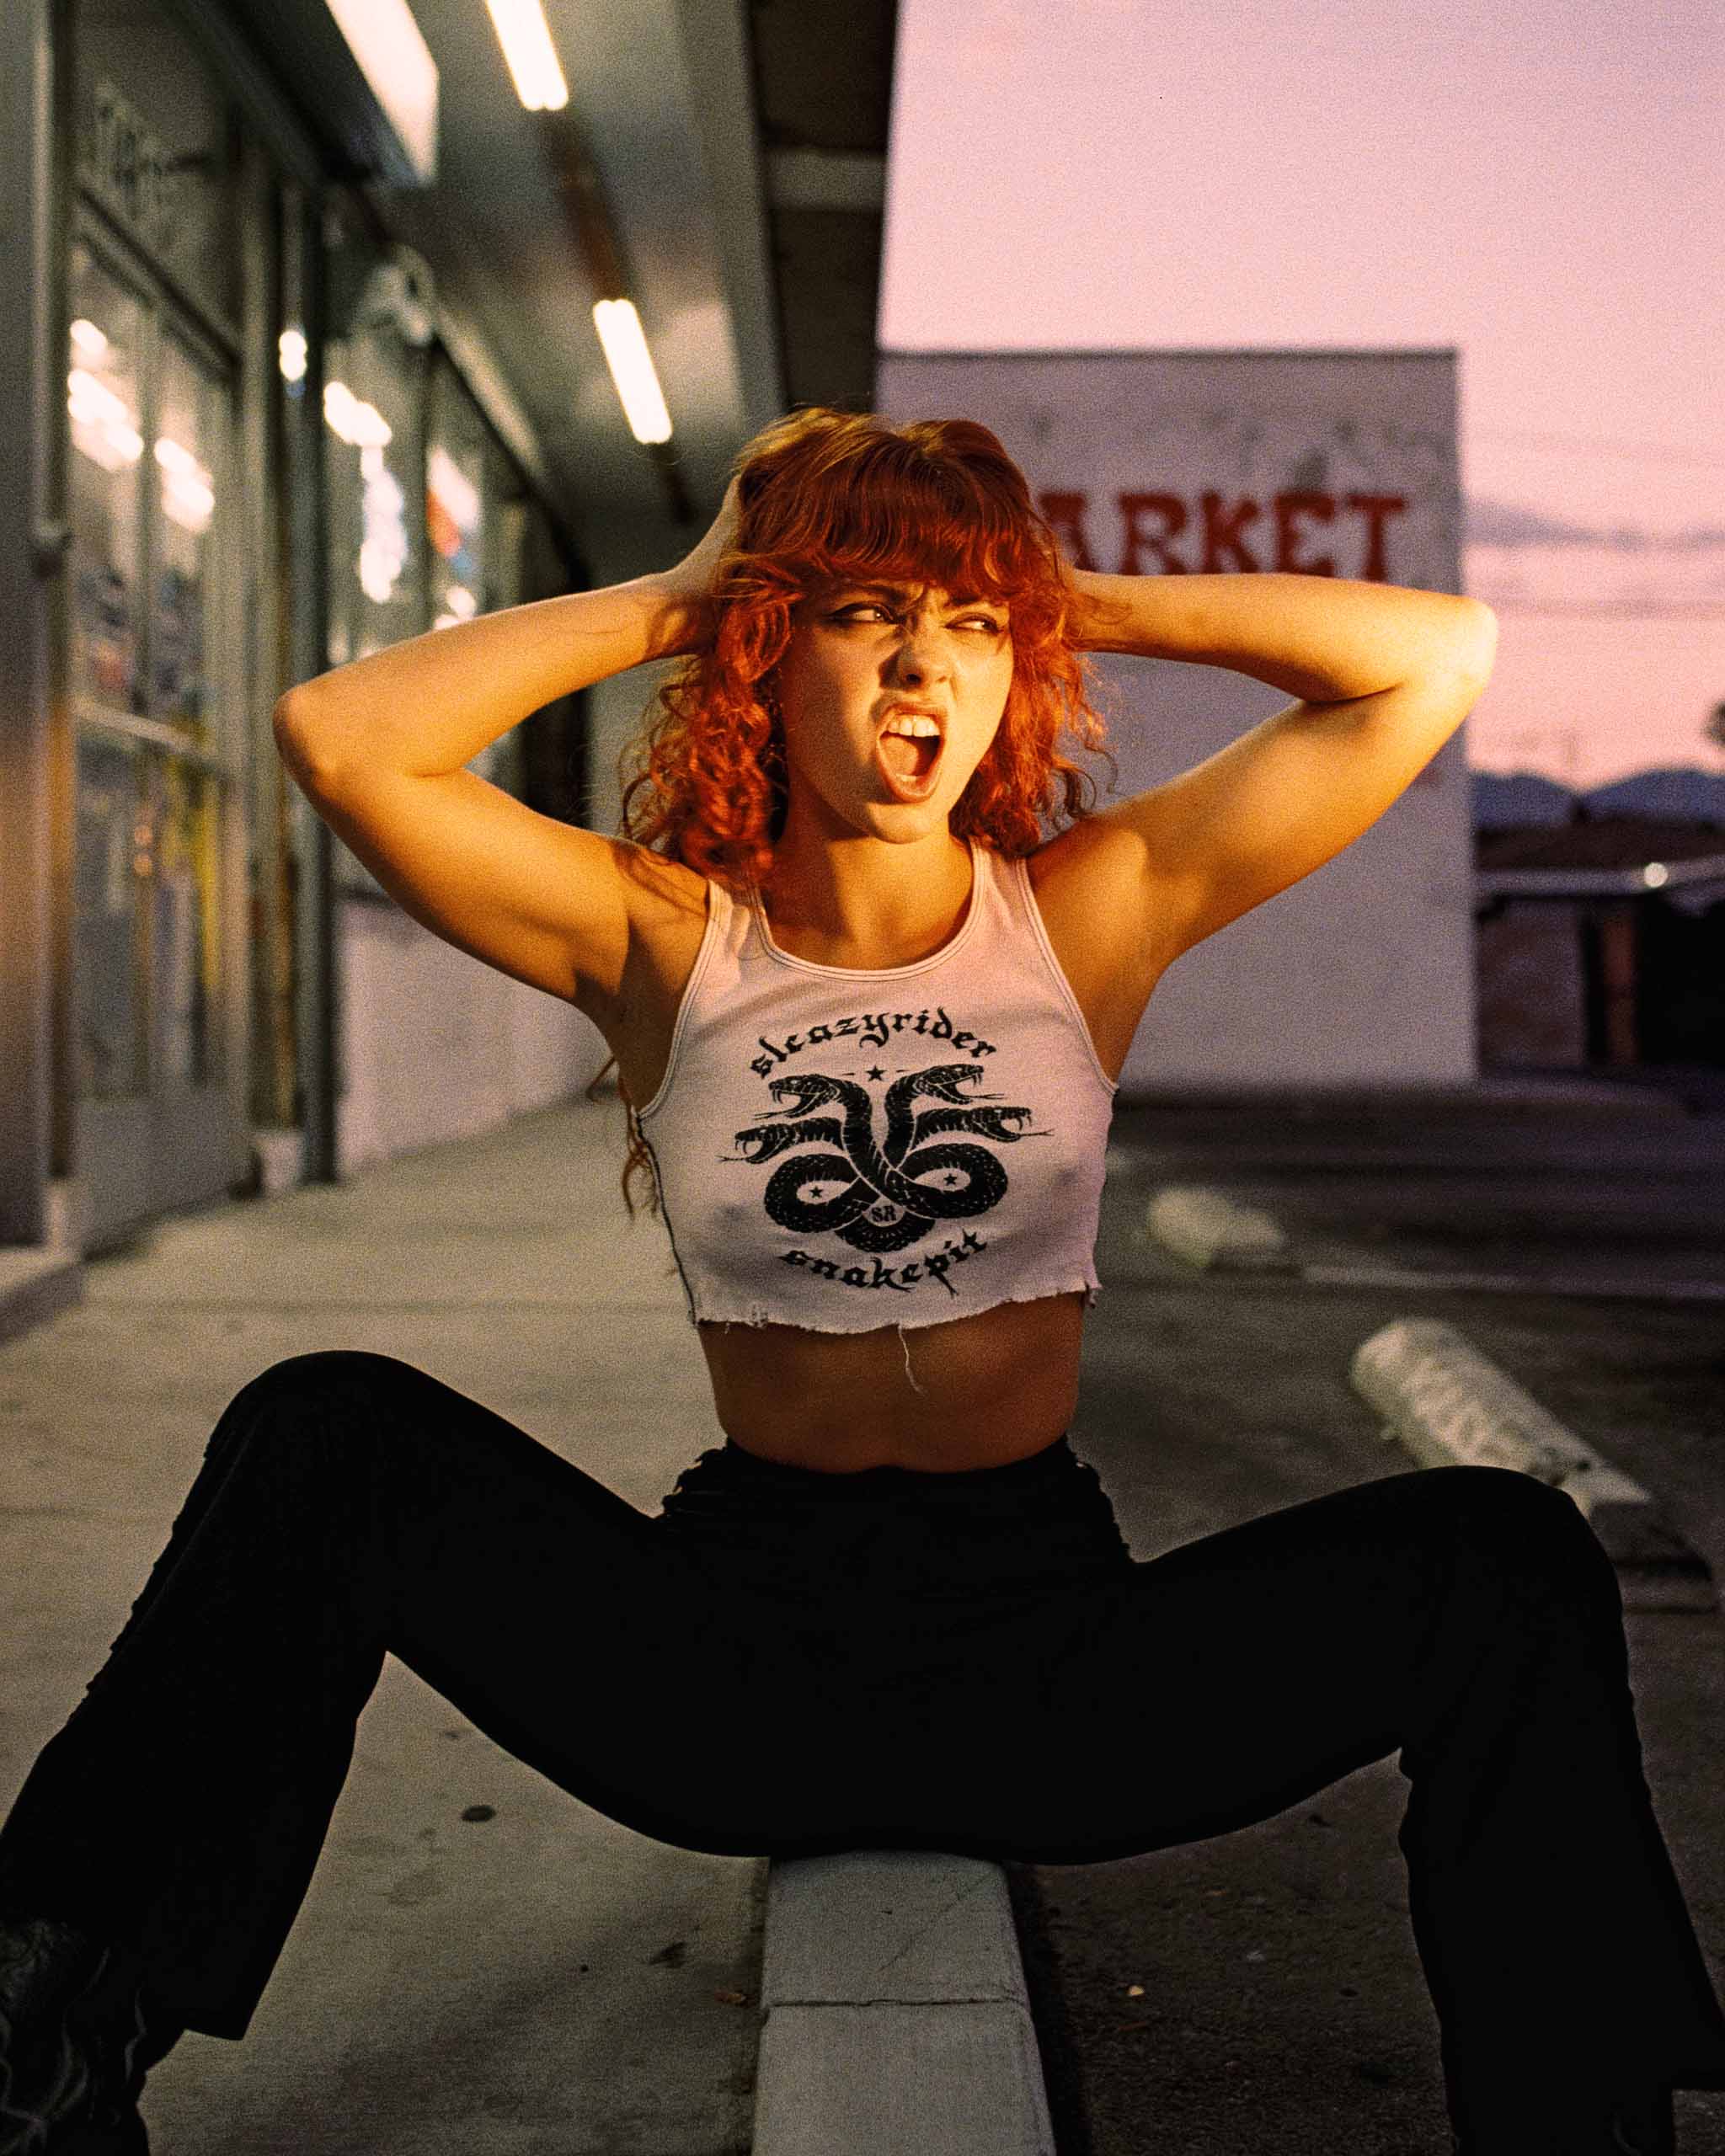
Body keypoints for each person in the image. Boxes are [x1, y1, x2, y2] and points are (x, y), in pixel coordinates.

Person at [1, 407, 1722, 2156]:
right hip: (732, 1665)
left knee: (1507, 1555)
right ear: (770, 646)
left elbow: (1436, 657)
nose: (923, 663)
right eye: (863, 612)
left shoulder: (1092, 910)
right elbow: (342, 735)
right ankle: (41, 2055)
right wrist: (691, 589)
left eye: (967, 624)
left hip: (1050, 1662)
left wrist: (1057, 594)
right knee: (324, 1433)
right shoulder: (662, 935)